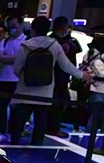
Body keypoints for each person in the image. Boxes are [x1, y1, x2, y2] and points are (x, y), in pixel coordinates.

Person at [8, 16, 90, 146]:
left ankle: (14, 144)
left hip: (25, 90)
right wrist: (81, 75)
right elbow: (66, 65)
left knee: (19, 122)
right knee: (40, 124)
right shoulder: (54, 45)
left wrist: (23, 76)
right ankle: (36, 147)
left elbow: (16, 68)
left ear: (33, 29)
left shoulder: (25, 45)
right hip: (45, 91)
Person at [45, 16, 82, 138]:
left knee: (61, 102)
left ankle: (52, 127)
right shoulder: (53, 41)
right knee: (55, 103)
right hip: (55, 76)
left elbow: (75, 52)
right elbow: (63, 62)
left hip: (62, 77)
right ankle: (51, 128)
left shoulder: (68, 41)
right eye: (66, 27)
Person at [0, 16, 27, 143]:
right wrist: (13, 58)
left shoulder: (26, 41)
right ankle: (1, 132)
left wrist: (8, 58)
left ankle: (13, 132)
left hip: (17, 79)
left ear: (21, 25)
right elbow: (0, 56)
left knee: (15, 109)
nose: (12, 29)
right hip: (2, 78)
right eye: (10, 26)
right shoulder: (4, 41)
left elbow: (21, 58)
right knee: (2, 107)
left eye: (14, 26)